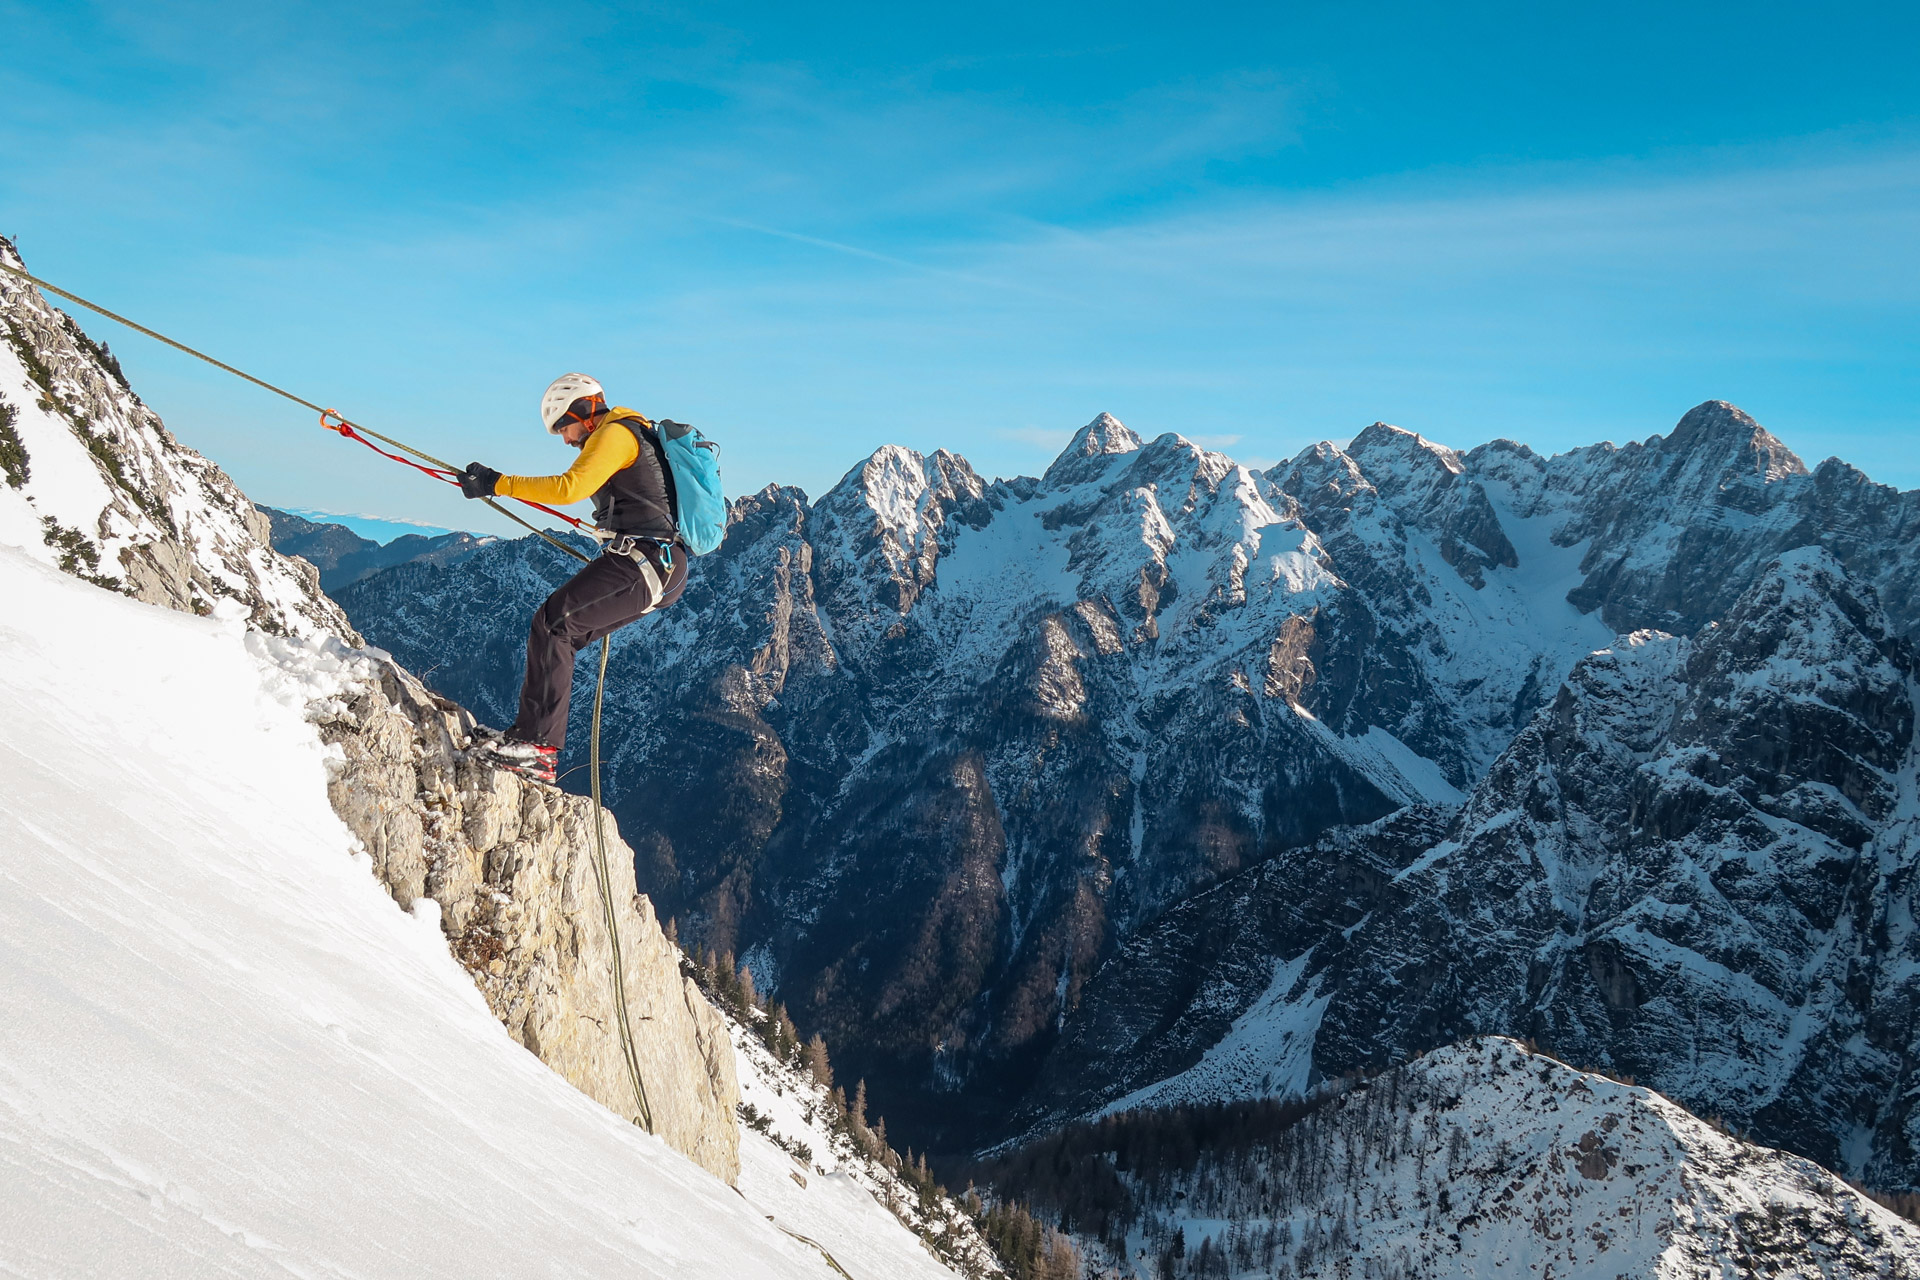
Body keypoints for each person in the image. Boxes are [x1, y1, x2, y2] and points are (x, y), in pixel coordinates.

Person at [456, 373, 688, 783]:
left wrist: (498, 483)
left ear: (582, 411)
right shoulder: (627, 432)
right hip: (653, 563)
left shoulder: (615, 434)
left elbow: (569, 488)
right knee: (561, 633)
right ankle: (528, 738)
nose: (565, 439)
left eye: (563, 427)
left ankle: (537, 748)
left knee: (554, 624)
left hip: (645, 561)